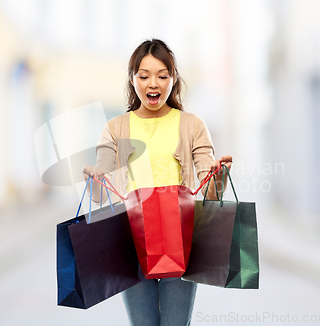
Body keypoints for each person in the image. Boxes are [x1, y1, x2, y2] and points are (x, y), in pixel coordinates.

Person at [83, 38, 233, 326]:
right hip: (132, 241)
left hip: (181, 240)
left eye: (163, 76)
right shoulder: (116, 129)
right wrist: (93, 178)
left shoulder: (191, 125)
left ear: (173, 79)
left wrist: (220, 173)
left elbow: (211, 191)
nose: (154, 83)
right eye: (145, 75)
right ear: (133, 79)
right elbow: (100, 194)